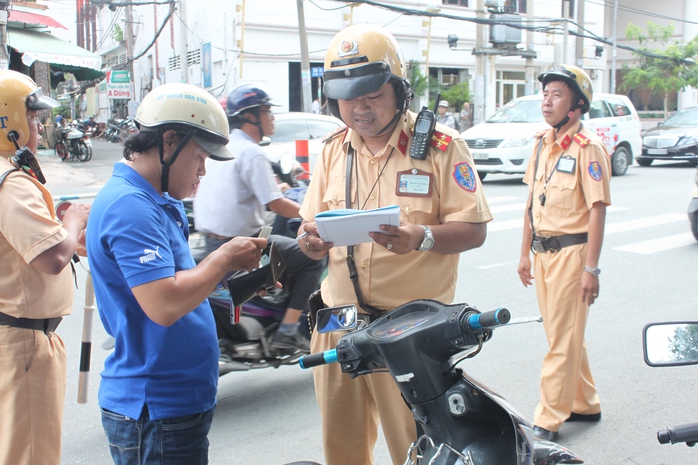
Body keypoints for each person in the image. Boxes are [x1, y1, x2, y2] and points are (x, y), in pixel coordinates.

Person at [297, 24, 493, 465]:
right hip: (335, 323)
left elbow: (474, 229)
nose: (360, 109)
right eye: (349, 98)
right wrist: (309, 243)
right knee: (341, 448)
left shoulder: (442, 147)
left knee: (416, 449)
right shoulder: (331, 151)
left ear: (399, 90)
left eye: (372, 95)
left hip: (407, 331)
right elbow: (311, 228)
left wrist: (420, 237)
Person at [86, 83, 266, 465]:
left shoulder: (156, 199)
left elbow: (182, 285)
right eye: (200, 156)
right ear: (169, 141)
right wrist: (223, 257)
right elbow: (164, 304)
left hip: (175, 403)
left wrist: (238, 276)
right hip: (155, 409)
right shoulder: (130, 207)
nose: (202, 170)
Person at [517, 64, 611, 442]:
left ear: (577, 105)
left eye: (557, 94)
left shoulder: (590, 149)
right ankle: (585, 403)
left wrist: (592, 269)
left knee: (561, 339)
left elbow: (597, 209)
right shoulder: (542, 142)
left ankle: (549, 418)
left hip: (573, 256)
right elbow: (530, 201)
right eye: (545, 94)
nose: (547, 101)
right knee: (564, 333)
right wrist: (524, 252)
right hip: (543, 254)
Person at [0, 70, 90, 465]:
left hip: (18, 339)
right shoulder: (12, 183)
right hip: (24, 344)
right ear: (11, 123)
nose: (40, 126)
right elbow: (52, 257)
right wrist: (74, 220)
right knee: (33, 455)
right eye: (34, 118)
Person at [194, 83, 324, 352]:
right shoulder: (252, 152)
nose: (272, 118)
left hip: (210, 244)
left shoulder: (223, 147)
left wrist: (281, 189)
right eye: (267, 112)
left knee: (275, 243)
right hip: (242, 247)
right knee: (312, 258)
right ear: (251, 117)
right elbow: (275, 204)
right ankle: (288, 331)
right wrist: (312, 214)